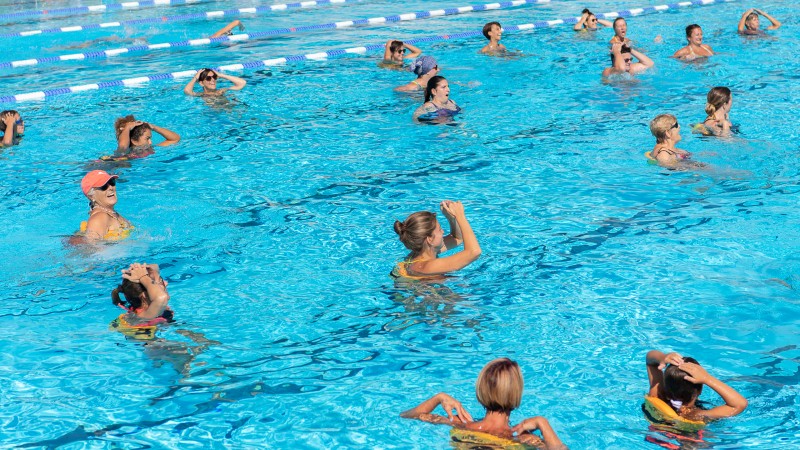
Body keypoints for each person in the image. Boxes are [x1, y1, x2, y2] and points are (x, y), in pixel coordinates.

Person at [401, 358, 565, 449]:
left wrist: (438, 398)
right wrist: (542, 423)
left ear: (481, 390)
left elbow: (409, 416)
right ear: (516, 394)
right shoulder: (522, 439)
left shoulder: (461, 424)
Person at [646, 350, 748, 421]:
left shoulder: (656, 395)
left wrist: (664, 357)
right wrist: (707, 378)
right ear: (699, 390)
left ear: (665, 385)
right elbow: (740, 404)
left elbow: (650, 359)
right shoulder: (695, 415)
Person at [392, 200, 480, 279]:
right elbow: (474, 252)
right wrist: (460, 215)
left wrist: (451, 217)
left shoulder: (424, 251)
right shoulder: (427, 266)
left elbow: (457, 238)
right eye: (439, 229)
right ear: (430, 239)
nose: (443, 231)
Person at [112, 263, 173, 330]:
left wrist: (142, 269)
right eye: (160, 282)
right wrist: (143, 277)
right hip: (146, 338)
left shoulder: (145, 307)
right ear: (145, 295)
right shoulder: (144, 316)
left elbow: (156, 266)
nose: (166, 283)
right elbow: (161, 297)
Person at [79, 170, 133, 241]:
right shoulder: (99, 218)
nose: (111, 188)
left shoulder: (112, 213)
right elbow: (93, 249)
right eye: (104, 186)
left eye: (112, 182)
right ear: (91, 196)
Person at [106, 115, 180, 160]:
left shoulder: (149, 149)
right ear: (134, 141)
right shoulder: (125, 153)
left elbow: (175, 139)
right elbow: (123, 146)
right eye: (147, 138)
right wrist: (127, 128)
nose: (150, 142)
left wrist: (154, 127)